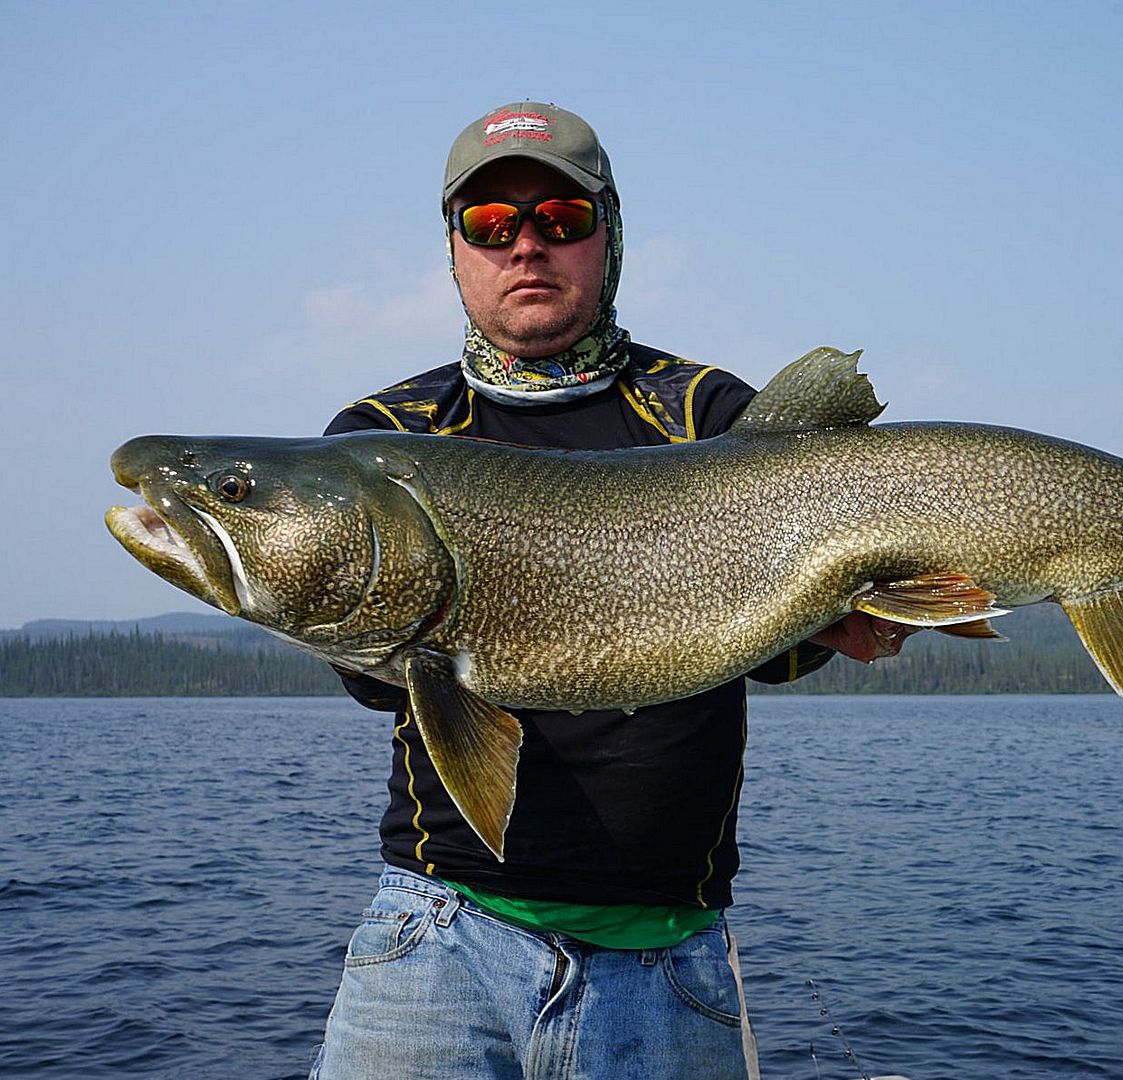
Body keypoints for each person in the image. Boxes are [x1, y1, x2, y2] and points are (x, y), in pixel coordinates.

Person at [308, 101, 914, 1080]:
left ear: (610, 233)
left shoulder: (708, 414)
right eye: (490, 223)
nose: (527, 245)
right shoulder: (385, 436)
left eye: (561, 216)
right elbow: (377, 679)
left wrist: (868, 612)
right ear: (454, 248)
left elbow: (783, 652)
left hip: (666, 955)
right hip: (437, 937)